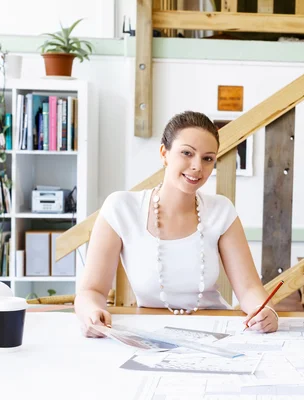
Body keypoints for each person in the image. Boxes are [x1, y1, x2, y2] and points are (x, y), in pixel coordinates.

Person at [75, 111, 278, 336]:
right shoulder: (121, 208)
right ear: (164, 153)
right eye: (187, 153)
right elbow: (91, 290)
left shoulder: (221, 210)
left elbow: (249, 289)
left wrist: (265, 311)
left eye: (207, 158)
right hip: (150, 332)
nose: (197, 166)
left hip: (216, 331)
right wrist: (91, 312)